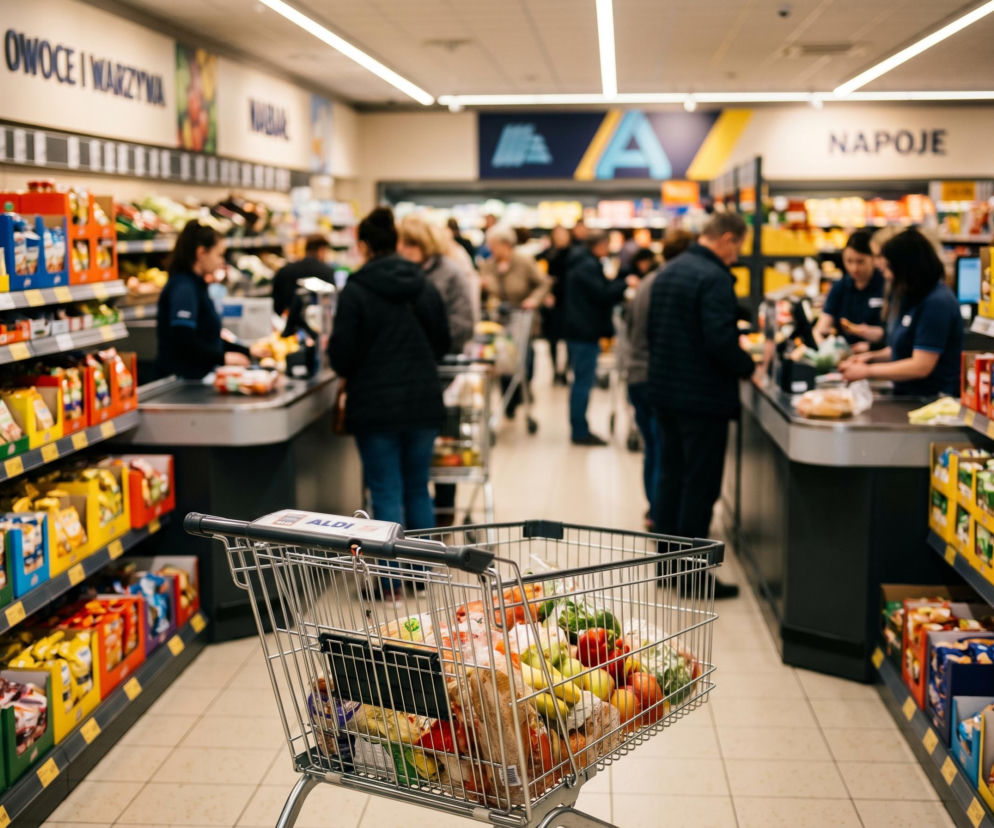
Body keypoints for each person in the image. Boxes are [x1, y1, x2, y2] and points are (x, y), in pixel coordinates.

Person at [327, 207, 450, 598]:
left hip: (375, 407)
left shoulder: (357, 291)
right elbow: (443, 342)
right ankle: (420, 573)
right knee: (417, 487)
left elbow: (341, 357)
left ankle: (391, 580)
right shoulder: (423, 285)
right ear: (396, 243)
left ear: (363, 246)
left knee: (386, 491)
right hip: (422, 402)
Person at [648, 213, 757, 599]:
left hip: (665, 392)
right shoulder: (713, 278)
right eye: (737, 248)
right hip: (702, 399)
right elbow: (719, 340)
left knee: (670, 480)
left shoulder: (670, 270)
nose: (735, 256)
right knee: (700, 487)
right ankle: (694, 578)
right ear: (727, 239)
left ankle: (666, 568)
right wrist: (750, 366)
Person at [840, 228, 962, 396]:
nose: (887, 275)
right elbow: (903, 349)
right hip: (908, 396)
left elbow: (921, 366)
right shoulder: (911, 295)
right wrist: (870, 357)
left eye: (889, 268)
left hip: (931, 402)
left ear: (906, 268)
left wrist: (868, 370)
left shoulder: (937, 302)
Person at [626, 229, 694, 526]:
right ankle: (659, 513)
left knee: (652, 447)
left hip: (636, 373)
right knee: (662, 448)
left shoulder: (648, 281)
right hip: (653, 375)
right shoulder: (669, 283)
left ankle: (653, 508)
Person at [157, 220, 264, 379]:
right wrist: (223, 358)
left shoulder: (196, 284)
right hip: (182, 384)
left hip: (194, 380)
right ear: (201, 253)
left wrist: (246, 351)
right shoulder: (184, 288)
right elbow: (183, 340)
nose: (222, 261)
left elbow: (207, 337)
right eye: (219, 254)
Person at [563, 231, 639, 445]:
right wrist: (625, 283)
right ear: (599, 245)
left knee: (581, 380)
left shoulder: (582, 262)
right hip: (584, 330)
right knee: (582, 381)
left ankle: (579, 427)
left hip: (580, 329)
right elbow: (602, 293)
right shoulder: (587, 265)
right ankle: (579, 430)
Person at [479, 224, 551, 417]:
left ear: (505, 244)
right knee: (504, 359)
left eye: (494, 245)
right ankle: (509, 400)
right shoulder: (489, 265)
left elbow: (543, 283)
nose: (491, 249)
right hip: (500, 319)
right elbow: (486, 291)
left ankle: (523, 387)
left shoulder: (524, 261)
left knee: (525, 357)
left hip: (523, 317)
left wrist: (533, 300)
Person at [398, 215, 475, 354]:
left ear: (425, 243)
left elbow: (464, 324)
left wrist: (424, 341)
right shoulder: (401, 270)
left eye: (411, 243)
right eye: (401, 243)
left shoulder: (449, 272)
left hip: (441, 357)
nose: (403, 250)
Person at [813, 230, 885, 346]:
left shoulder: (885, 285)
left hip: (878, 353)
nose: (854, 268)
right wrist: (826, 349)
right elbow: (820, 328)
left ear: (873, 259)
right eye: (849, 261)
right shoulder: (840, 286)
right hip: (846, 353)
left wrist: (866, 338)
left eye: (860, 262)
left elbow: (892, 334)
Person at [272, 234, 339, 337]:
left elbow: (276, 304)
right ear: (321, 250)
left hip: (287, 329)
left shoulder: (285, 270)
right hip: (316, 330)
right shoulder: (327, 271)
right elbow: (331, 305)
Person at [537, 225, 573, 385]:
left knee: (569, 339)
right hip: (553, 302)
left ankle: (565, 370)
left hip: (568, 302)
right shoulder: (547, 254)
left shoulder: (573, 254)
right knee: (553, 339)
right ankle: (555, 370)